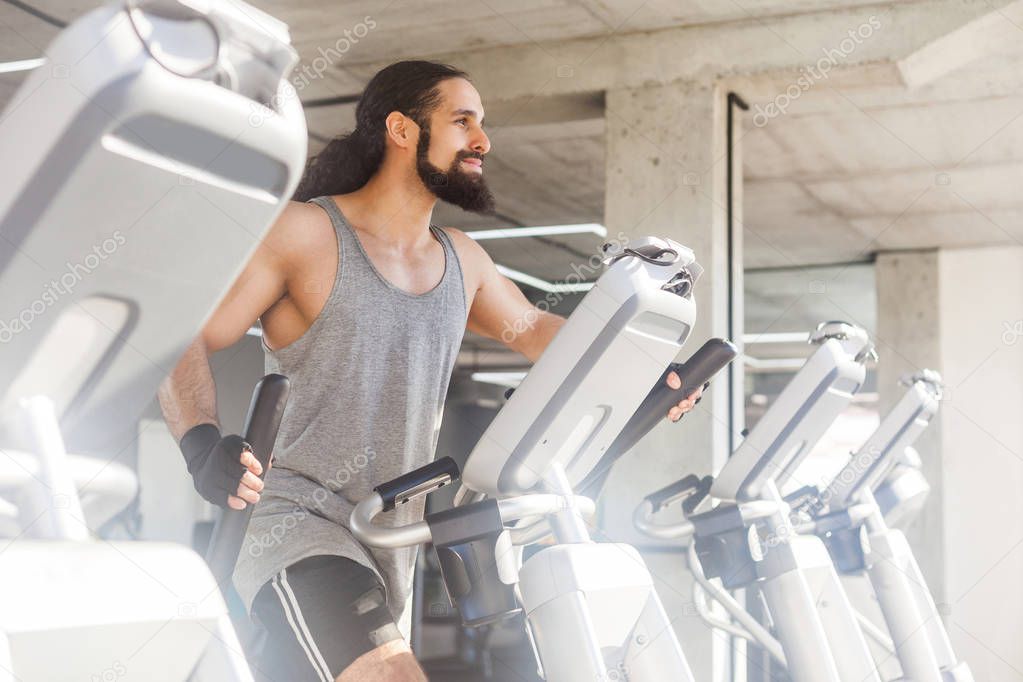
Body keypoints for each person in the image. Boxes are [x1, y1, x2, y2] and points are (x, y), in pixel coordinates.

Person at [158, 60, 701, 682]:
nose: (483, 140)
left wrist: (644, 368)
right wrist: (202, 446)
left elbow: (542, 335)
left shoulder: (462, 260)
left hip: (389, 541)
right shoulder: (305, 234)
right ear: (401, 129)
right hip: (294, 529)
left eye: (483, 123)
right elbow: (181, 330)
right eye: (462, 120)